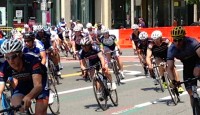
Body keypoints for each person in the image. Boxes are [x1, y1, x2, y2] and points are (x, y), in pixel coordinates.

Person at [0, 38, 49, 114]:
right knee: (18, 108)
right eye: (7, 57)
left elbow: (38, 86)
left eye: (13, 56)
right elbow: (1, 85)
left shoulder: (32, 61)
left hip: (39, 83)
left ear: (20, 54)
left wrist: (29, 96)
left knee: (40, 112)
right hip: (23, 84)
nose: (10, 61)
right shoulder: (5, 67)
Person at [167, 26, 200, 108]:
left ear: (184, 38)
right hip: (187, 66)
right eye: (175, 40)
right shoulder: (171, 49)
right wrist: (173, 81)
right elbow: (170, 67)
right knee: (191, 93)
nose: (177, 43)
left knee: (196, 73)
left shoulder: (192, 42)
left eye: (180, 40)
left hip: (197, 61)